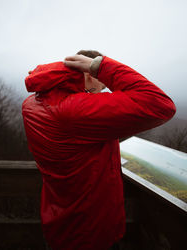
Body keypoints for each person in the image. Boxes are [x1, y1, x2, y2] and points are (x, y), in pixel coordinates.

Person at [22, 50, 176, 250]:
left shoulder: (32, 103)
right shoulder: (73, 112)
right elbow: (160, 105)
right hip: (90, 230)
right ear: (88, 73)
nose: (103, 92)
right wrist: (101, 66)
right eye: (101, 85)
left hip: (57, 219)